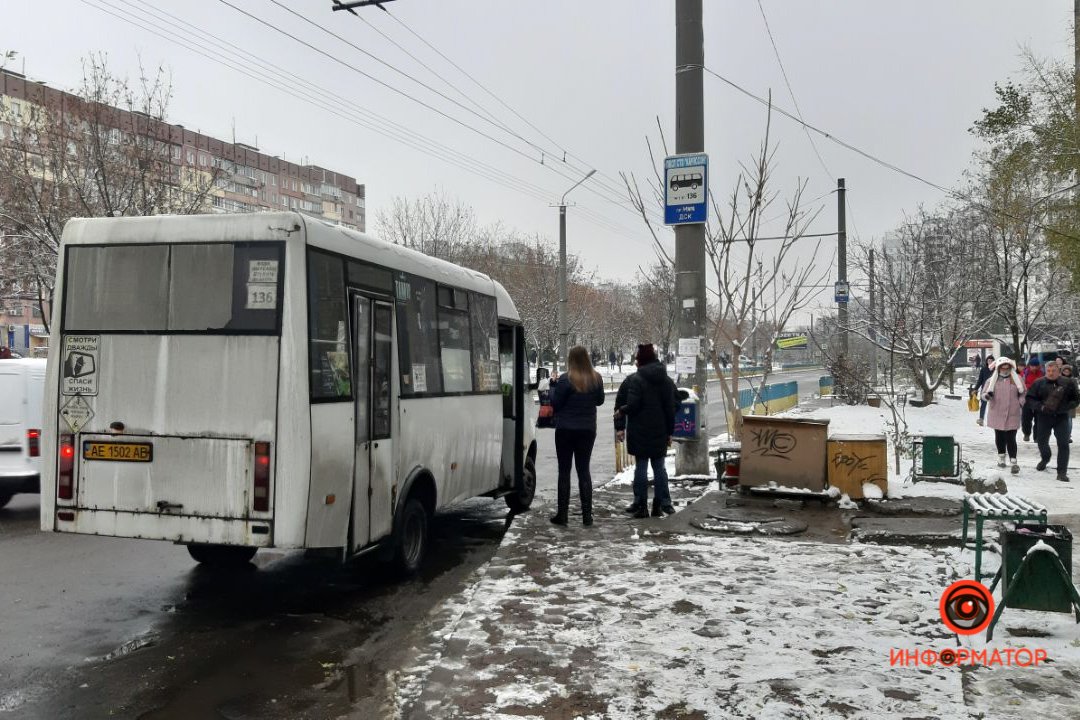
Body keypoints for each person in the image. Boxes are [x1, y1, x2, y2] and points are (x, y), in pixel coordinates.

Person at [614, 343, 679, 518]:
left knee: (641, 468)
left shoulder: (635, 380)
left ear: (641, 359)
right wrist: (670, 431)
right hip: (660, 430)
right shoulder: (666, 380)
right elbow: (672, 407)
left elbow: (629, 405)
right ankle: (662, 504)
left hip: (639, 431)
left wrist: (622, 415)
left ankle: (640, 504)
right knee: (659, 468)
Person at [549, 345, 605, 526]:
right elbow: (600, 401)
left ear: (571, 360)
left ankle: (562, 515)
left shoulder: (565, 380)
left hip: (565, 430)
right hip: (587, 430)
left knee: (564, 472)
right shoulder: (596, 379)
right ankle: (587, 515)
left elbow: (555, 404)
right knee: (584, 471)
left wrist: (552, 385)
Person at [1026, 361, 1080, 482]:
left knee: (1063, 444)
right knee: (1042, 441)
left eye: (1053, 371)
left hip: (1061, 417)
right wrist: (1040, 407)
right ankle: (1045, 458)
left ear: (1059, 371)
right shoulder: (1038, 383)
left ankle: (1062, 472)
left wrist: (1065, 407)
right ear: (1045, 371)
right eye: (1048, 371)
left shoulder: (1068, 382)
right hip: (1044, 417)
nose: (1051, 373)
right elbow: (1030, 399)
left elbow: (1076, 399)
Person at [982, 358, 1024, 474]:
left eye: (1007, 368)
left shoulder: (1017, 380)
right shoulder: (992, 381)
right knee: (999, 436)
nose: (1005, 370)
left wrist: (1020, 402)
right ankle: (1001, 456)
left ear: (1011, 368)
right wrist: (987, 396)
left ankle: (1013, 461)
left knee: (1011, 437)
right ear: (999, 368)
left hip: (1012, 412)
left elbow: (1023, 393)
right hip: (997, 412)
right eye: (1003, 368)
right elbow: (984, 394)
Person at [1020, 356, 1045, 441]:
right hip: (1027, 398)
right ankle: (1026, 433)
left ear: (1038, 366)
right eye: (1032, 366)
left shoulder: (1042, 373)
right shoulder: (1024, 373)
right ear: (1029, 366)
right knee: (1026, 418)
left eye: (1036, 366)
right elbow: (1021, 384)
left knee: (1039, 418)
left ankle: (1037, 437)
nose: (1034, 368)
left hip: (1039, 399)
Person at [974, 355, 995, 427]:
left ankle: (995, 420)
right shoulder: (983, 369)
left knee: (995, 405)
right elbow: (980, 380)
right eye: (988, 361)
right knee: (983, 404)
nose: (990, 362)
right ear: (986, 361)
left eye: (991, 361)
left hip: (994, 390)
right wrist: (975, 389)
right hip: (984, 390)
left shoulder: (996, 370)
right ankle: (981, 419)